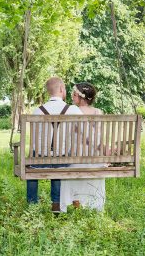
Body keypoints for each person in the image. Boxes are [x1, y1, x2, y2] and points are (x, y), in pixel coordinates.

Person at [27, 77, 82, 213]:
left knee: (31, 166)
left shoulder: (38, 111)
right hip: (62, 159)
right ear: (62, 89)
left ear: (48, 92)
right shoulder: (72, 110)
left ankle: (32, 204)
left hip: (39, 161)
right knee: (59, 162)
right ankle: (56, 204)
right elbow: (84, 131)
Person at [60, 82, 106, 213]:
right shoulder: (98, 112)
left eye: (74, 95)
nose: (72, 97)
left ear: (81, 97)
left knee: (70, 167)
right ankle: (95, 207)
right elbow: (99, 137)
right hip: (95, 159)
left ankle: (76, 206)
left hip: (76, 159)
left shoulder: (72, 111)